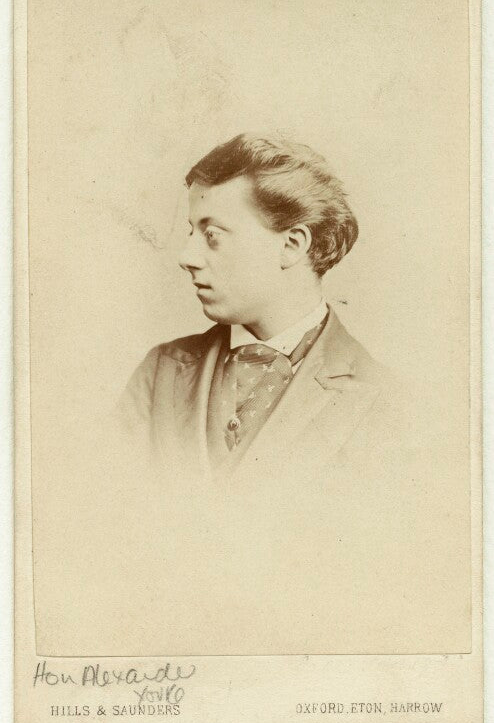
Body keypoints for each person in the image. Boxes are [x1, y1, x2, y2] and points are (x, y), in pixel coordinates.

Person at [118, 132, 398, 485]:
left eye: (212, 235)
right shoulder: (160, 371)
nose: (187, 257)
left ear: (291, 245)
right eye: (192, 233)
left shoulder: (385, 401)